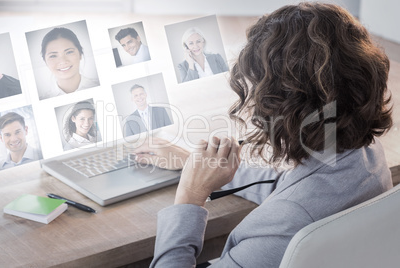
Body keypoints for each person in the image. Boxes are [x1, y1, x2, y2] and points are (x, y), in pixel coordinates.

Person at [132, 3, 394, 267]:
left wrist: (189, 195)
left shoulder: (285, 227)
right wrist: (195, 165)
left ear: (284, 103)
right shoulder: (367, 157)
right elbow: (293, 189)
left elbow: (290, 209)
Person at [40, 27, 99, 100]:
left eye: (69, 52)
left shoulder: (98, 85)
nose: (62, 61)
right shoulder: (44, 99)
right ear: (45, 61)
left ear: (80, 54)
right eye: (53, 56)